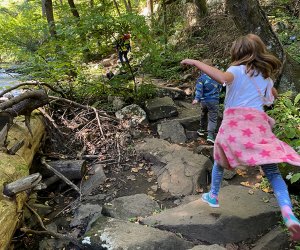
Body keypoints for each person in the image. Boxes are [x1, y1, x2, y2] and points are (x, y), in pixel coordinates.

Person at [181, 34, 300, 241]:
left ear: (238, 52)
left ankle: (214, 195)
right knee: (272, 172)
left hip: (234, 126)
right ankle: (288, 214)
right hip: (257, 128)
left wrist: (196, 62)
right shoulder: (266, 78)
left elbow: (222, 78)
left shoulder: (235, 70)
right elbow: (271, 99)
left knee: (219, 158)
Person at [192, 59, 222, 144]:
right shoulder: (216, 77)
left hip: (204, 101)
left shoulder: (201, 79)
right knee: (212, 118)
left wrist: (196, 99)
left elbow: (199, 90)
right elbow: (220, 88)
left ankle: (201, 129)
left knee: (203, 114)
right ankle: (210, 136)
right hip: (214, 101)